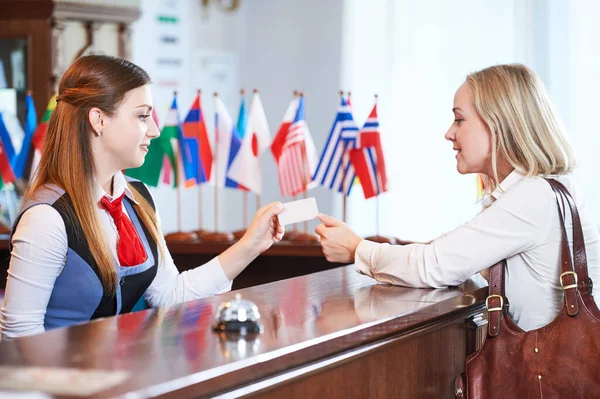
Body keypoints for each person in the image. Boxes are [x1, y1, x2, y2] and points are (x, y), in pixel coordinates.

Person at [0, 55, 284, 339]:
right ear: (98, 120)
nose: (155, 130)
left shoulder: (138, 197)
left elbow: (170, 294)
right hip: (66, 380)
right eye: (142, 116)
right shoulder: (46, 218)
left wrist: (251, 244)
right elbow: (20, 334)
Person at [316, 64, 600, 331]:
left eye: (459, 119)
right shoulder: (545, 189)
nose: (449, 133)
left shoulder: (533, 196)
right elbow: (453, 252)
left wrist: (356, 249)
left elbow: (434, 266)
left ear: (497, 125)